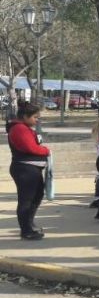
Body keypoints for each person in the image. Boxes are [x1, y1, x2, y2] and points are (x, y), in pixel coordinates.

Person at [6, 102, 49, 240]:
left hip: (31, 169)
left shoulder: (24, 127)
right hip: (25, 170)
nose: (37, 120)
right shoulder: (19, 129)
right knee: (26, 200)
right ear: (25, 116)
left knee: (37, 196)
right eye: (35, 117)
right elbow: (31, 148)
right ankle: (26, 230)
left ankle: (29, 224)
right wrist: (46, 150)